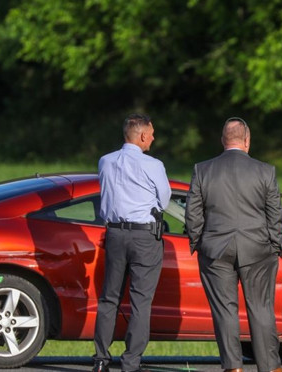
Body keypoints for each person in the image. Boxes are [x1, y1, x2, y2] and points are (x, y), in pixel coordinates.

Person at [184, 117, 282, 372]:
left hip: (215, 249)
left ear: (223, 141)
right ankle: (270, 367)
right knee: (261, 308)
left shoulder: (202, 170)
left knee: (224, 310)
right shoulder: (265, 171)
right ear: (247, 140)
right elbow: (275, 214)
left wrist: (198, 242)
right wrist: (274, 243)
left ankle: (233, 367)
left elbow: (193, 214)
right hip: (258, 248)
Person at [92, 114, 171, 372]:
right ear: (142, 136)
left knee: (109, 298)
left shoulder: (105, 161)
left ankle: (101, 359)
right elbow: (165, 201)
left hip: (114, 234)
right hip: (144, 236)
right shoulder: (154, 165)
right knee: (140, 300)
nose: (154, 138)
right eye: (152, 133)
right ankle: (131, 362)